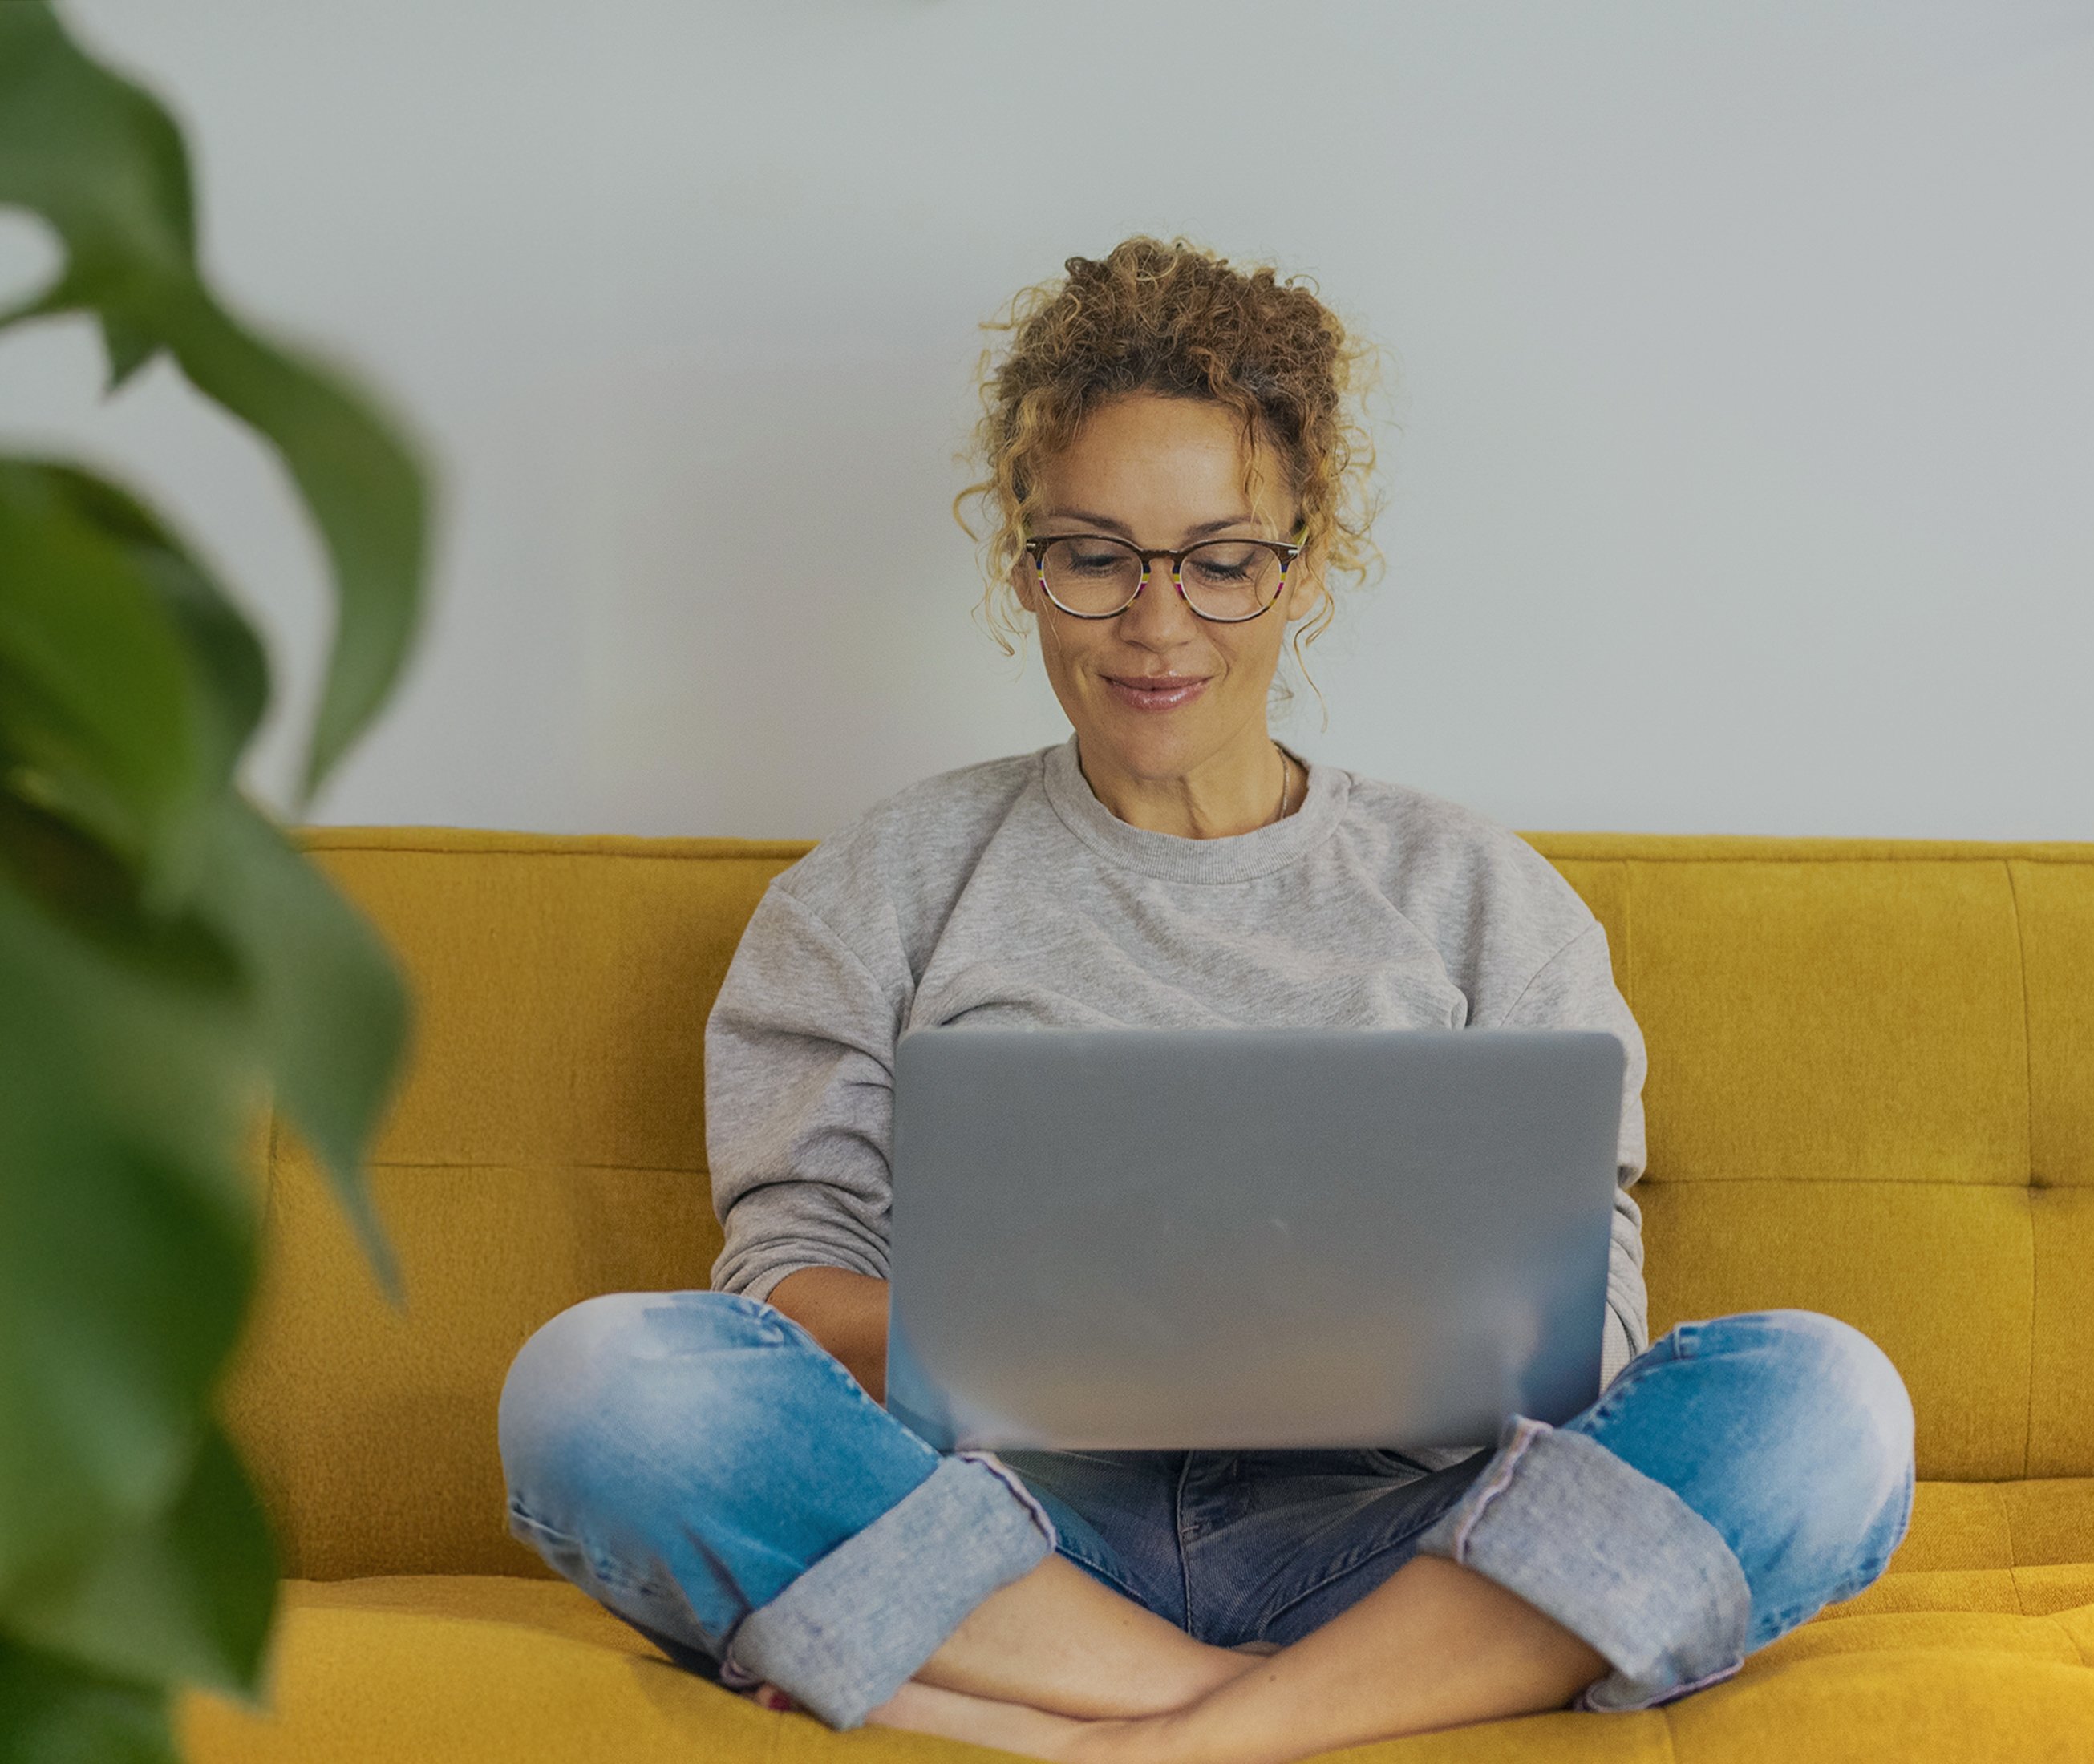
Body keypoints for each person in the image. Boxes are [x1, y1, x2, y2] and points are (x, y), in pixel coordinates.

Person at [496, 237, 1914, 1763]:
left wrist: (1372, 1338)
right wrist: (1060, 1341)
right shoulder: (880, 889)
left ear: (1304, 561)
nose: (1156, 626)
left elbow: (1594, 1342)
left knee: (1828, 1402)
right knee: (598, 1386)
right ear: (1022, 560)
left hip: (1403, 1536)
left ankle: (1118, 1733)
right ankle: (1281, 1713)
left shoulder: (1482, 899)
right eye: (1094, 556)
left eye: (1221, 559)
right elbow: (782, 1288)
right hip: (1009, 1532)